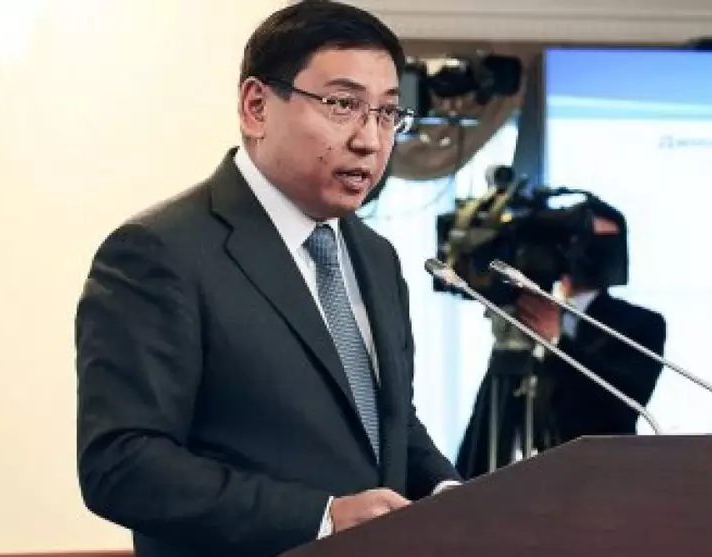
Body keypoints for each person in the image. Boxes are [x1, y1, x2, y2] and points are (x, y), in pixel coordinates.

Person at [74, 2, 460, 556]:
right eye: (343, 105)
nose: (370, 140)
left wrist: (449, 493)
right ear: (256, 107)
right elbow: (122, 464)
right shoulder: (159, 252)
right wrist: (320, 518)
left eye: (386, 113)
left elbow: (385, 426)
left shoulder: (377, 257)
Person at [455, 200, 667, 478]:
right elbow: (486, 434)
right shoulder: (521, 322)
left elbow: (621, 405)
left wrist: (557, 341)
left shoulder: (640, 323)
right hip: (525, 481)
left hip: (599, 477)